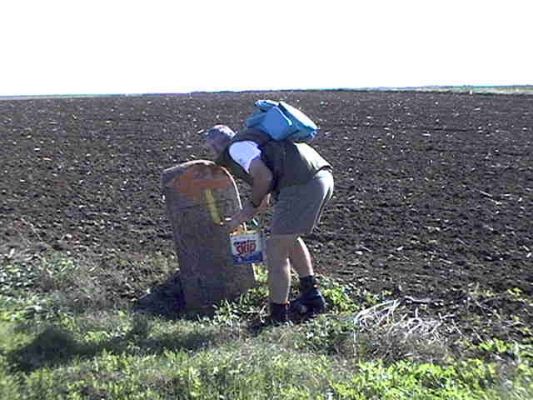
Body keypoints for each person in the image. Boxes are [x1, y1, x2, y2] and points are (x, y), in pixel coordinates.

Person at [205, 123, 334, 324]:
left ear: (214, 146)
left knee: (276, 249)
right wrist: (241, 217)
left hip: (302, 185)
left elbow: (264, 177)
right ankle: (312, 296)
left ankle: (278, 316)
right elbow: (263, 197)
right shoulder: (252, 142)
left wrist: (247, 209)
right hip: (320, 177)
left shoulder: (236, 149)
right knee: (289, 239)